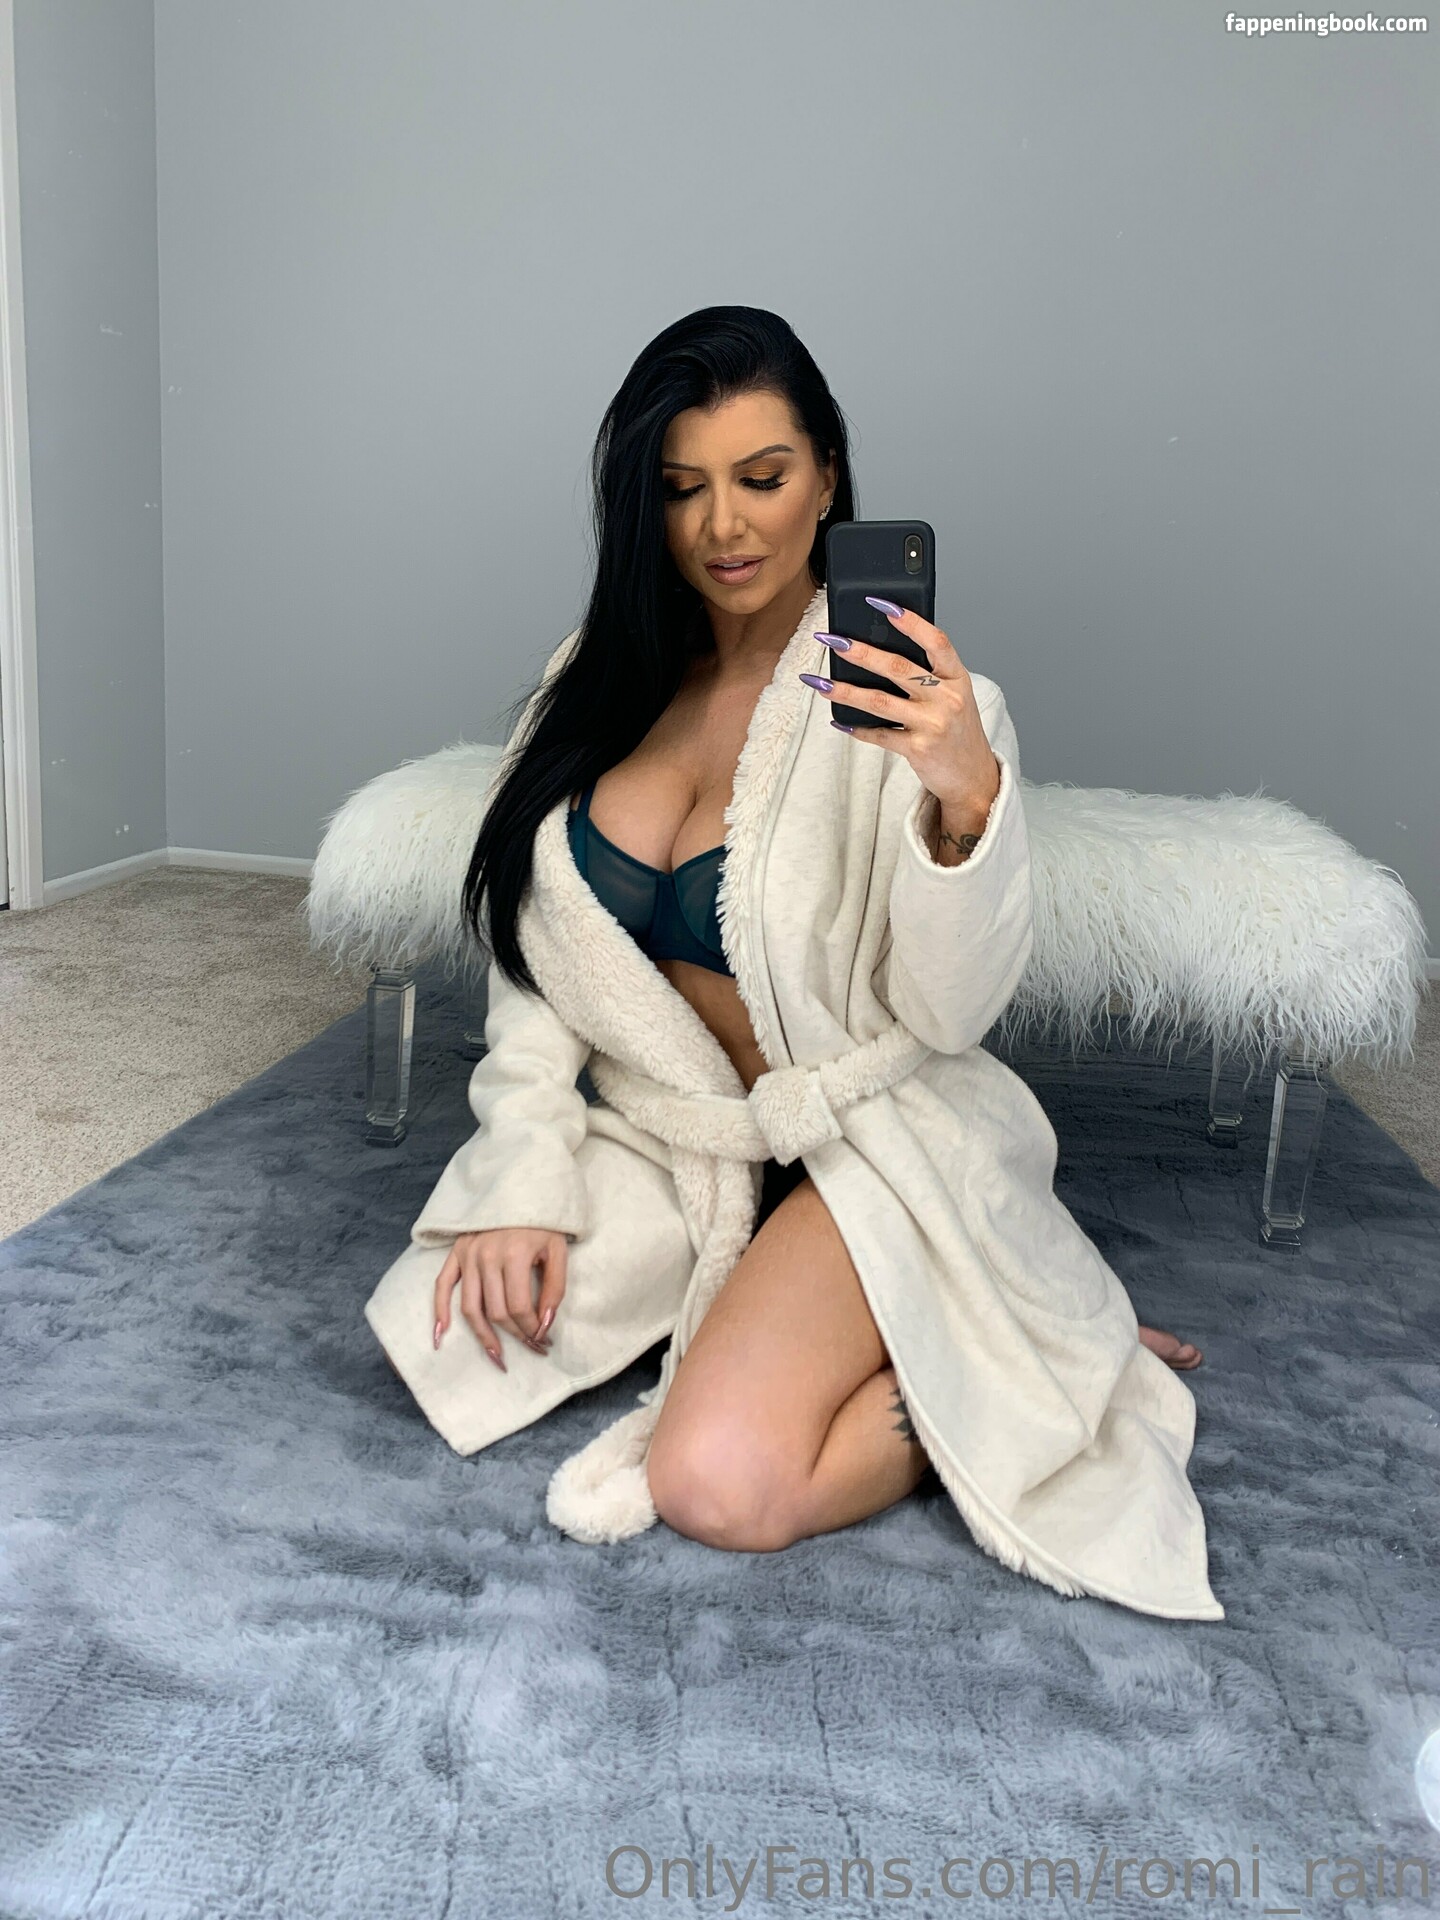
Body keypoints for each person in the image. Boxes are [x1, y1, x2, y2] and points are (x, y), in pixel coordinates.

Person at [365, 306, 1219, 1618]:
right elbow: (540, 959)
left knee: (722, 1481)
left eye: (763, 477)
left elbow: (949, 1012)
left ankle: (996, 1372)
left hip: (865, 1135)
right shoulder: (592, 680)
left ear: (825, 478)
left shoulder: (929, 707)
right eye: (682, 488)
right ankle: (915, 1313)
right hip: (684, 1134)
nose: (725, 525)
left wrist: (963, 799)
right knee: (449, 1326)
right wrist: (521, 1174)